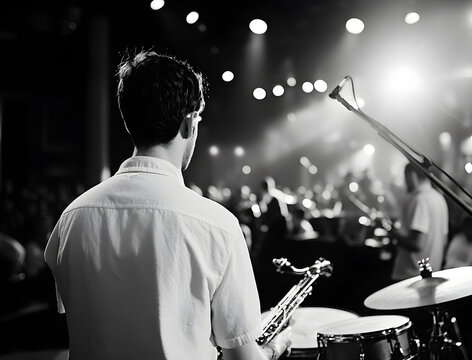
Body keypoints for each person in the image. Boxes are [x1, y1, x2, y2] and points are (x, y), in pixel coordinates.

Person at [44, 50, 291, 360]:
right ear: (189, 123)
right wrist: (274, 347)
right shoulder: (218, 224)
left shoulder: (70, 219)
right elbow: (242, 358)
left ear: (128, 121)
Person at [389, 163, 449, 281]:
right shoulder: (439, 198)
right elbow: (444, 239)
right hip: (433, 274)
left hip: (411, 276)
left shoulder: (420, 200)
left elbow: (416, 244)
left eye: (405, 177)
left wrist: (392, 232)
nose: (405, 182)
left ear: (411, 175)